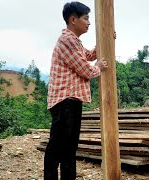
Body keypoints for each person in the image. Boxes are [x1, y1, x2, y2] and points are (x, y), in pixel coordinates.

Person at [44, 2, 109, 179]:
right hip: (65, 101)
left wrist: (107, 38)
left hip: (69, 101)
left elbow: (88, 55)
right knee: (58, 148)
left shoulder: (74, 41)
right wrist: (99, 67)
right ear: (73, 19)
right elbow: (86, 69)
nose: (88, 23)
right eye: (86, 18)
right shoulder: (67, 40)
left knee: (67, 149)